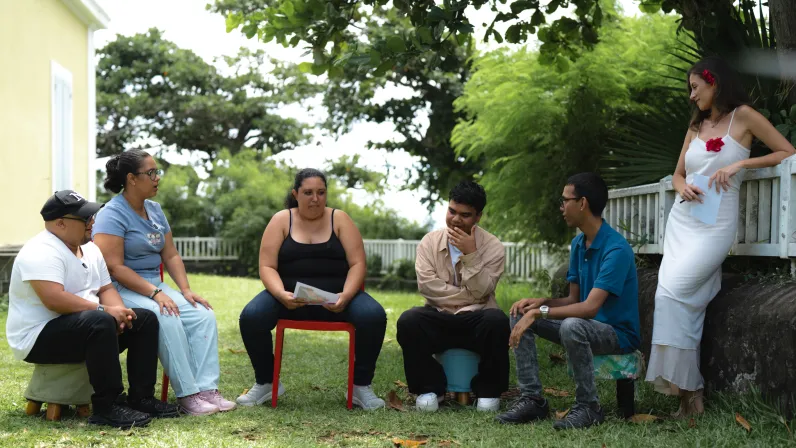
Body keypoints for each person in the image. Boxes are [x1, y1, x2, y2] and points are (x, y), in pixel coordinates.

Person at [645, 57, 796, 416]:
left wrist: (741, 163)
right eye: (690, 89)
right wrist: (683, 189)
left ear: (715, 83)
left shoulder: (743, 116)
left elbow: (787, 151)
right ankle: (688, 396)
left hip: (715, 226)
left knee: (675, 291)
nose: (691, 95)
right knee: (673, 298)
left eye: (695, 87)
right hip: (683, 221)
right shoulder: (696, 125)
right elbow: (678, 174)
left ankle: (689, 389)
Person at [6, 190, 178, 428]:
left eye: (91, 215)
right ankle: (107, 406)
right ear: (61, 223)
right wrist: (104, 311)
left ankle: (141, 398)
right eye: (85, 218)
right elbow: (54, 300)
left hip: (85, 327)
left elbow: (106, 287)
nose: (92, 222)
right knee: (99, 321)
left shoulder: (90, 248)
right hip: (37, 338)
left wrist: (119, 312)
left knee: (144, 319)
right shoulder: (40, 250)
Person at [92, 150, 236, 416]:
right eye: (151, 173)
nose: (157, 178)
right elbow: (114, 266)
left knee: (202, 314)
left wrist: (186, 290)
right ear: (132, 179)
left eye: (157, 172)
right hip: (120, 288)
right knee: (166, 315)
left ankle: (207, 389)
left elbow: (170, 254)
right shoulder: (111, 214)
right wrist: (156, 293)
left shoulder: (155, 210)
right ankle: (188, 396)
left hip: (154, 284)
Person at [498, 173, 640, 430]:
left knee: (571, 325)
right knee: (520, 313)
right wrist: (542, 302)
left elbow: (589, 308)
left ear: (582, 203)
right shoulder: (578, 243)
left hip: (617, 335)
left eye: (565, 201)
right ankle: (533, 399)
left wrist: (540, 313)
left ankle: (589, 407)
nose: (562, 207)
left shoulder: (616, 249)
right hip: (584, 324)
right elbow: (573, 299)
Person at [237, 168, 387, 410]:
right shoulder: (281, 220)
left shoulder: (340, 219)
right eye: (308, 192)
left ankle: (361, 386)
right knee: (252, 316)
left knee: (374, 315)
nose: (315, 198)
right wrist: (279, 294)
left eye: (321, 192)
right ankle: (267, 382)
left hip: (339, 299)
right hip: (288, 299)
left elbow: (358, 263)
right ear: (296, 194)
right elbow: (266, 266)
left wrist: (346, 296)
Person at [396, 180, 508, 412]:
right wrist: (470, 297)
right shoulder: (429, 242)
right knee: (409, 320)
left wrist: (471, 254)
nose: (456, 219)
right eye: (452, 211)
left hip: (477, 320)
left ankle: (488, 391)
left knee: (497, 321)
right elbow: (428, 287)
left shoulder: (494, 247)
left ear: (478, 216)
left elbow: (483, 292)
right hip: (440, 318)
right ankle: (430, 389)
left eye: (465, 215)